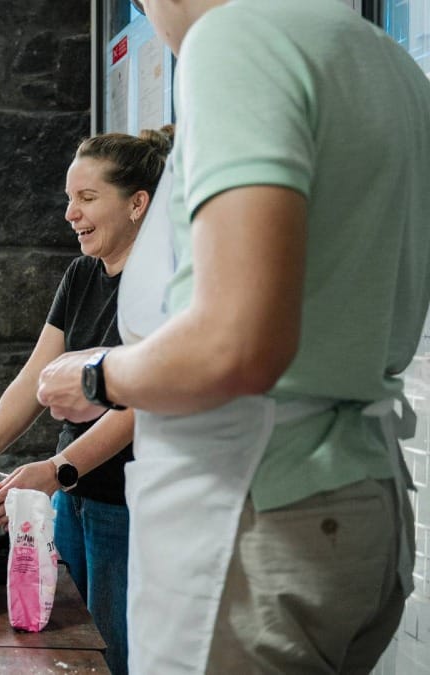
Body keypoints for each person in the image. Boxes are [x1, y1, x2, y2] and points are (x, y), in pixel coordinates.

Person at [37, 1, 430, 672]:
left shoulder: (236, 39)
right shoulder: (388, 62)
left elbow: (237, 341)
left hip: (254, 518)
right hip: (363, 503)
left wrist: (97, 374)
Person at [0, 129, 171, 675]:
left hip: (129, 503)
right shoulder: (83, 274)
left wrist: (57, 470)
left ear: (138, 203)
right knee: (67, 649)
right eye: (69, 198)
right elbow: (35, 377)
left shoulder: (164, 282)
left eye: (87, 198)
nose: (71, 213)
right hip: (74, 498)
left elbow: (141, 406)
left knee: (116, 654)